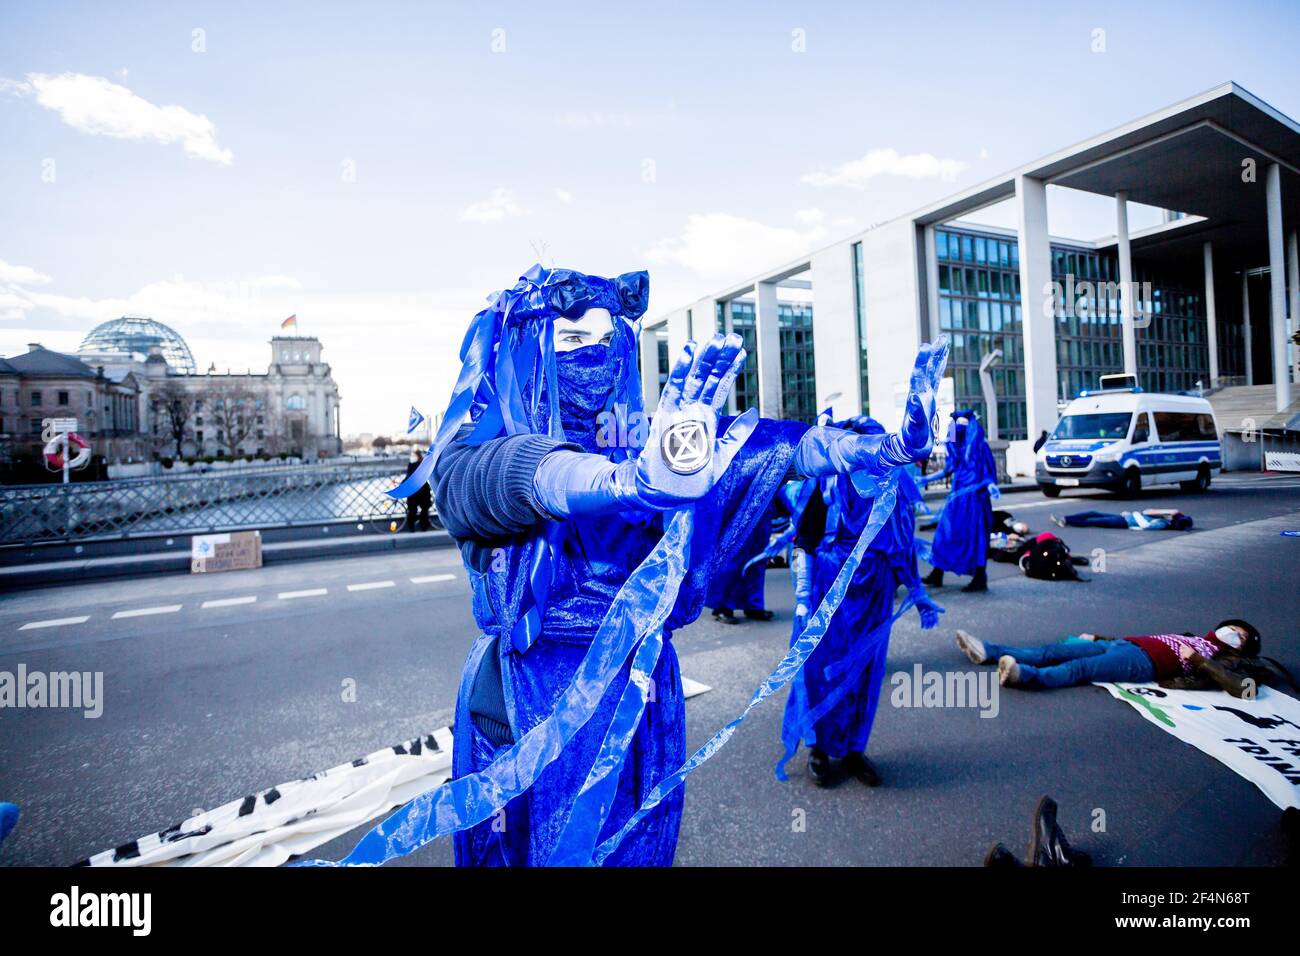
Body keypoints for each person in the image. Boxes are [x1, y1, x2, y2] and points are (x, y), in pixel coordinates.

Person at [307, 265, 949, 868]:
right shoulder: (479, 446)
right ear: (528, 344)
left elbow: (766, 448)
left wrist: (872, 447)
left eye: (606, 334)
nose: (595, 349)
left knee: (637, 846)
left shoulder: (650, 435)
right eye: (572, 334)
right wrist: (626, 485)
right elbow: (518, 476)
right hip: (534, 702)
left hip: (641, 695)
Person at [780, 416, 943, 787]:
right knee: (820, 671)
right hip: (829, 590)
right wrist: (804, 598)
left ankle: (854, 748)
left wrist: (918, 593)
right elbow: (803, 541)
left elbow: (901, 543)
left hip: (874, 593)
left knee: (865, 676)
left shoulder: (891, 488)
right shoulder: (826, 486)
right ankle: (818, 749)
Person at [954, 620, 1263, 690]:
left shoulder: (1226, 658)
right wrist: (1102, 638)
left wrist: (1196, 660)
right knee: (1053, 650)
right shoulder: (1194, 636)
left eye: (1241, 636)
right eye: (1234, 628)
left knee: (1080, 668)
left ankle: (1025, 676)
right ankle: (989, 651)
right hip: (1125, 645)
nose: (1234, 633)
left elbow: (1240, 687)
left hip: (1144, 663)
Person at [921, 409, 998, 592]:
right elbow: (948, 469)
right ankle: (937, 572)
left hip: (975, 502)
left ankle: (980, 577)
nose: (954, 434)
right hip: (957, 501)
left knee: (975, 539)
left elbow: (988, 474)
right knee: (945, 535)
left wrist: (990, 486)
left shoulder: (980, 448)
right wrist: (925, 479)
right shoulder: (958, 449)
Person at [708, 502, 777, 624]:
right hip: (737, 513)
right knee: (731, 563)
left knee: (757, 564)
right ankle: (722, 607)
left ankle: (753, 605)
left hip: (761, 516)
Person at [1051, 509, 1192, 531]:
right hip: (1125, 517)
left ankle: (1067, 521)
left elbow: (1145, 525)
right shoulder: (1164, 519)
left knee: (1093, 520)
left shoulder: (1162, 524)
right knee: (1093, 513)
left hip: (1124, 522)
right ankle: (1066, 518)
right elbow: (1147, 513)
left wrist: (1135, 514)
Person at [403, 450, 433, 531]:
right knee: (424, 509)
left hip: (414, 490)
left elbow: (408, 476)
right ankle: (424, 526)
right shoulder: (422, 464)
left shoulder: (412, 465)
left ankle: (411, 527)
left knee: (413, 510)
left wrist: (402, 485)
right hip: (422, 490)